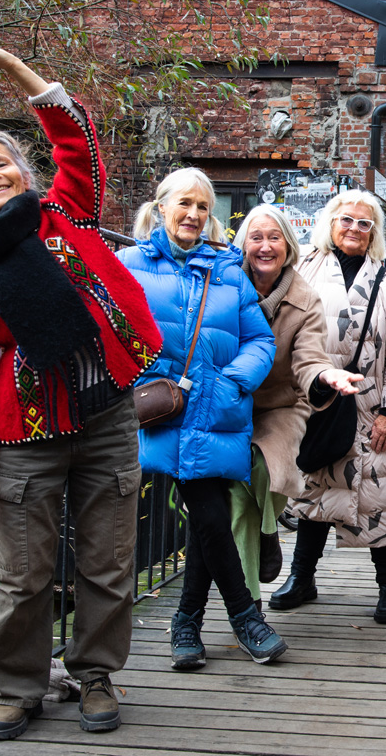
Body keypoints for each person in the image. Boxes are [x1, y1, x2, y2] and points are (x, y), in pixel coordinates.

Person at [0, 22, 163, 739]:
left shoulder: (66, 212)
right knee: (23, 572)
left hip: (106, 418)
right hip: (25, 434)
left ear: (23, 171)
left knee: (106, 563)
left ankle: (95, 675)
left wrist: (9, 64)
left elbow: (76, 137)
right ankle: (14, 687)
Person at [118, 167, 286, 671]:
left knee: (204, 513)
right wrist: (141, 374)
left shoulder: (227, 270)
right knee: (208, 509)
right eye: (184, 203)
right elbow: (110, 333)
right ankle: (243, 615)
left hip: (215, 408)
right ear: (162, 206)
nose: (193, 214)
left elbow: (262, 340)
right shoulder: (129, 264)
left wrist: (232, 380)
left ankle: (186, 623)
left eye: (203, 207)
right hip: (162, 409)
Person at [269, 190, 386, 624]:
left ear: (373, 232)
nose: (354, 228)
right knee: (314, 489)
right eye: (346, 220)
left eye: (364, 223)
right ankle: (302, 577)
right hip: (316, 402)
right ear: (329, 222)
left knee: (380, 492)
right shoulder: (300, 272)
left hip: (373, 406)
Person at [227, 205, 365, 607]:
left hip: (283, 404)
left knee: (263, 466)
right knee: (238, 500)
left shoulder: (305, 299)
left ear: (288, 246)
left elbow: (309, 358)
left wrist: (326, 376)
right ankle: (250, 598)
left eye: (274, 238)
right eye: (256, 237)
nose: (265, 246)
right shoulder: (227, 285)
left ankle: (264, 542)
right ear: (244, 245)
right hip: (231, 401)